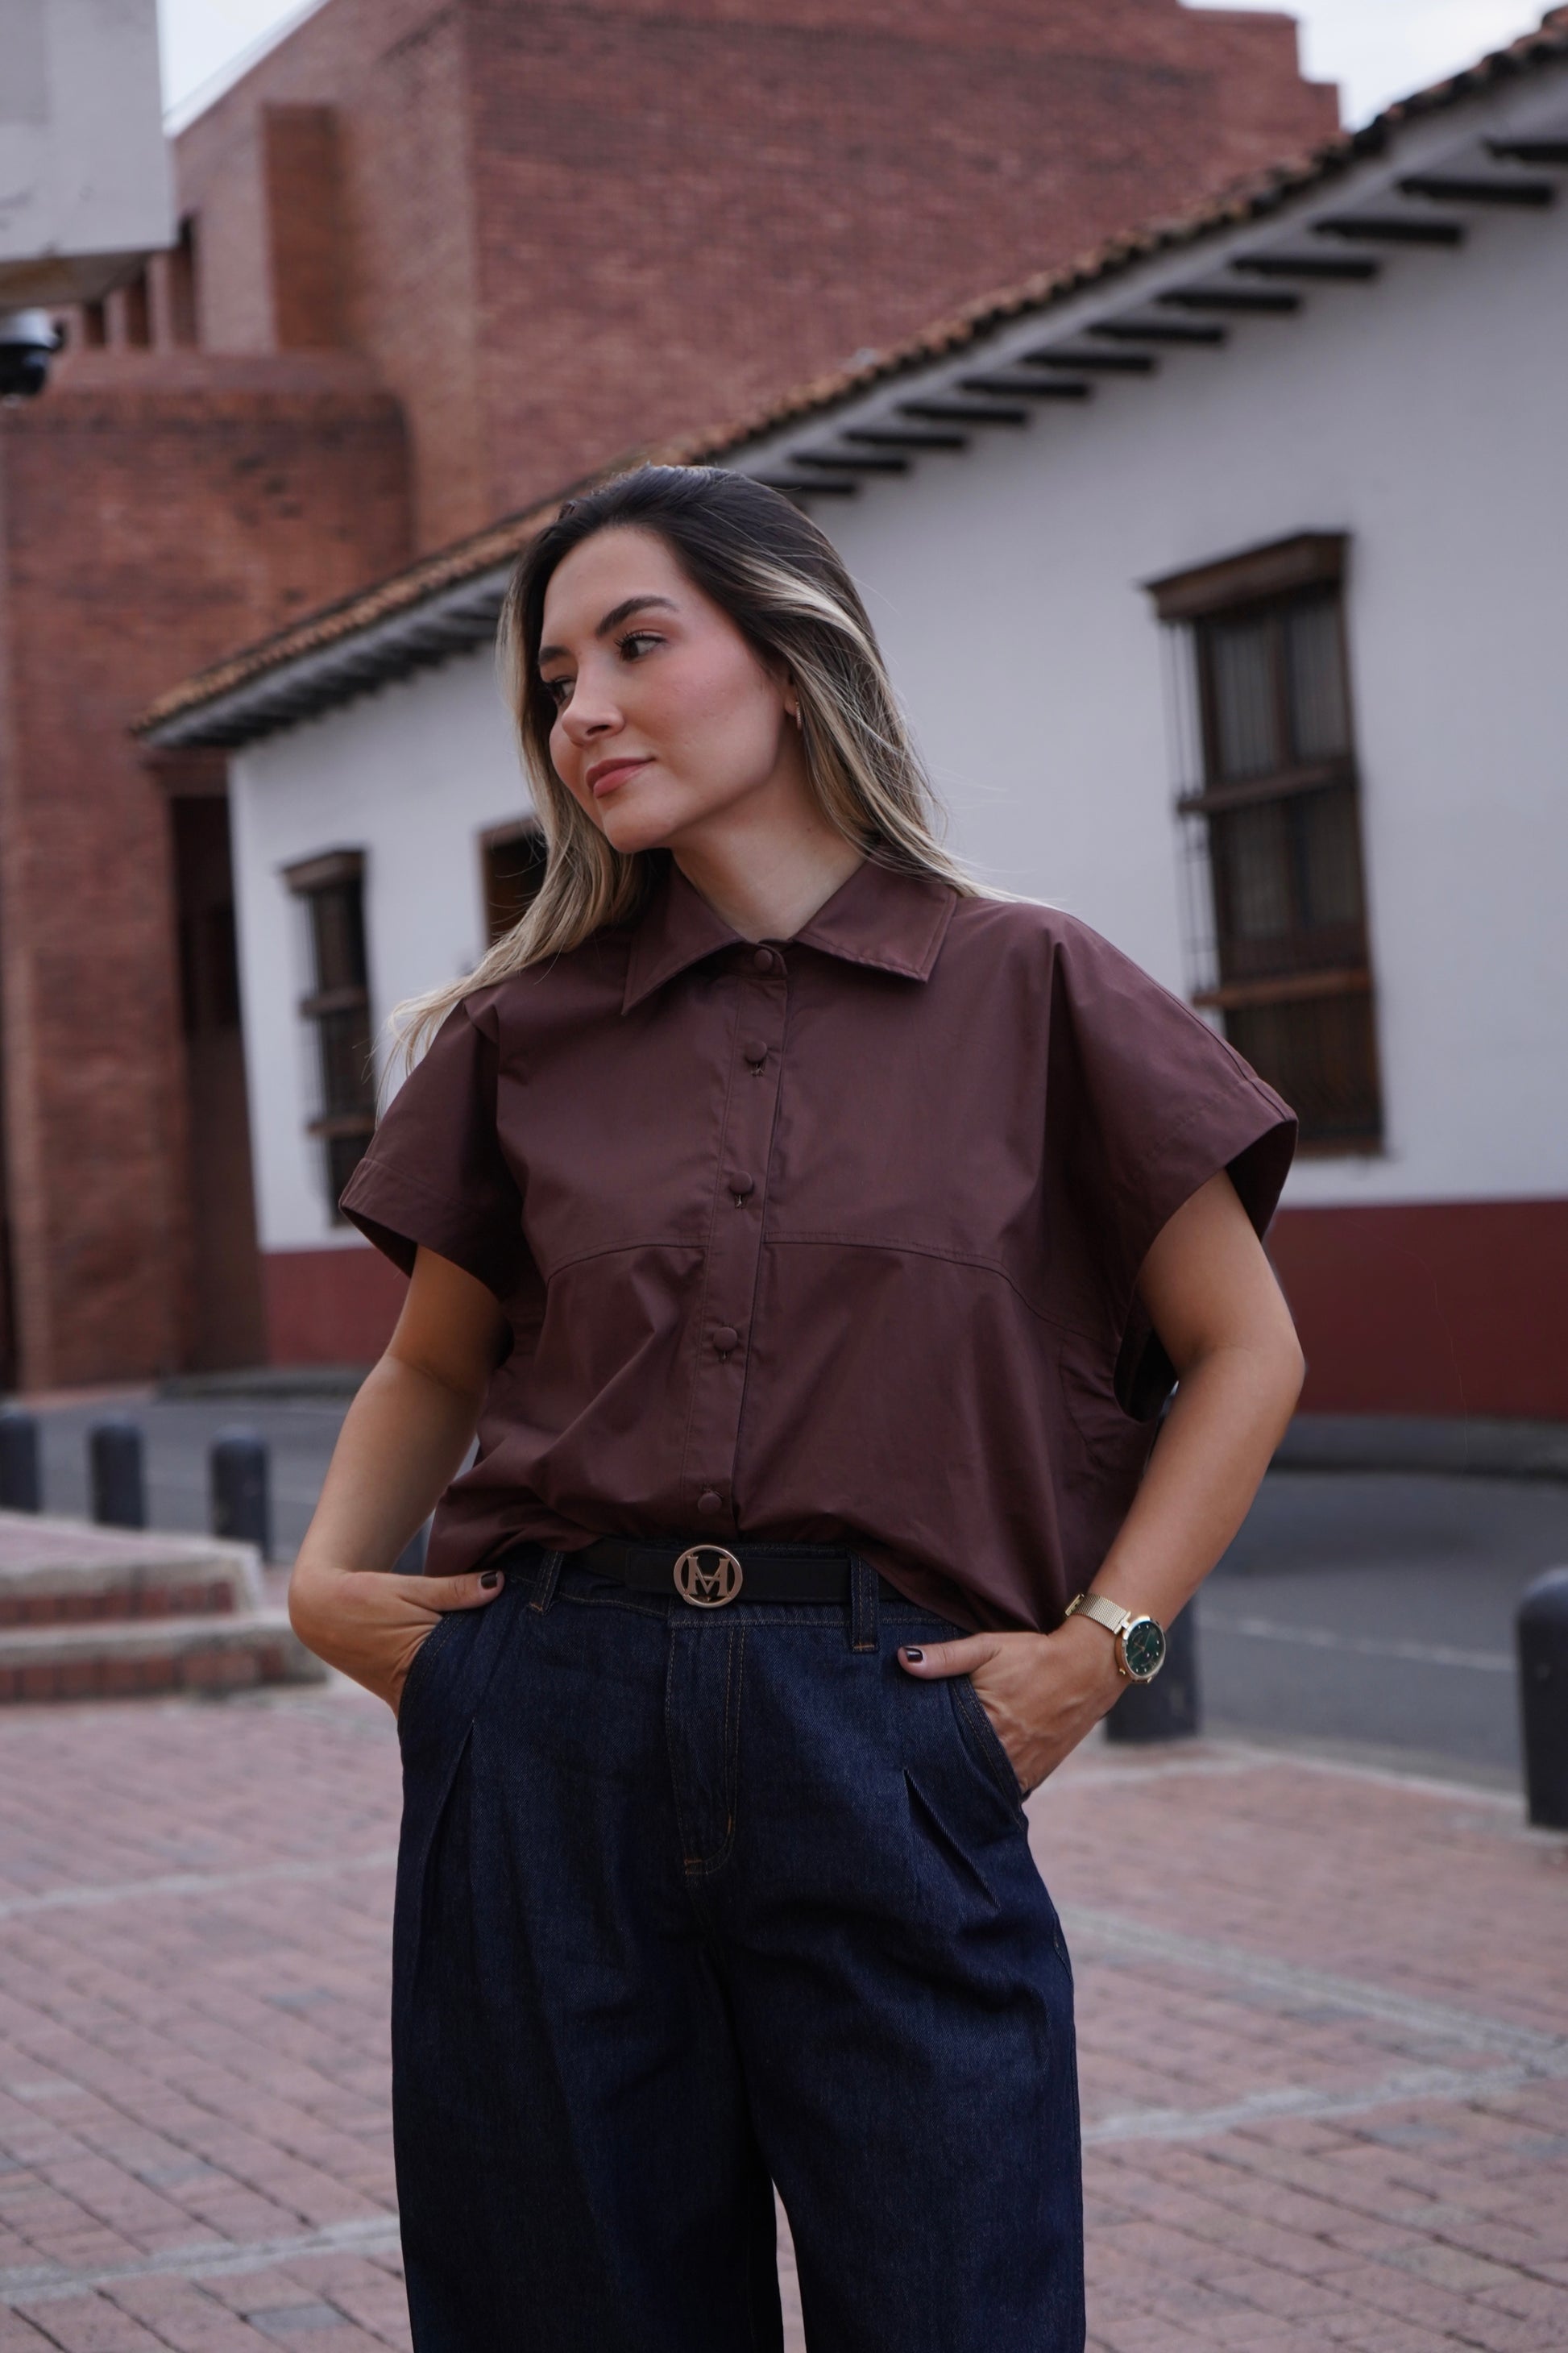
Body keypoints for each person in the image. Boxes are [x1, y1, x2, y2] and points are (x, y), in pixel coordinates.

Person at [288, 463, 1304, 2353]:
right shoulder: (524, 1033)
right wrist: (327, 1584)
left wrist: (1106, 1645)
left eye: (634, 645)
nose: (582, 709)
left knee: (956, 2305)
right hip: (548, 1735)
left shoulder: (1036, 986)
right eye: (553, 680)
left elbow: (1249, 1348)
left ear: (789, 649)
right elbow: (436, 1358)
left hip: (887, 1734)